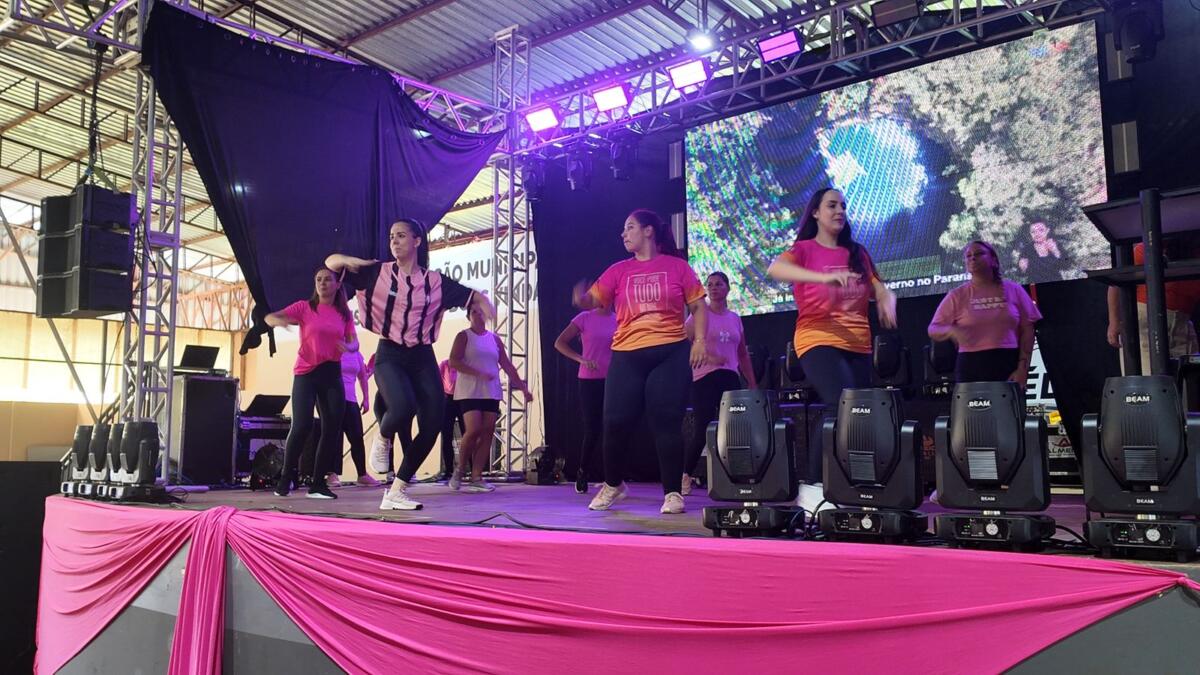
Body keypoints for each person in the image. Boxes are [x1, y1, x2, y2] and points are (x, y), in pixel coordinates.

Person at [326, 218, 495, 511]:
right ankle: (383, 436)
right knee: (402, 407)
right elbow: (330, 263)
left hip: (422, 356)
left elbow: (472, 295)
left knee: (432, 423)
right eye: (392, 236)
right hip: (390, 353)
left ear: (417, 241)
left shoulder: (435, 282)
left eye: (401, 235)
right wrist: (348, 260)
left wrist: (485, 305)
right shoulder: (376, 272)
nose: (394, 240)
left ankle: (396, 492)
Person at [767, 187, 897, 512]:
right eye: (832, 205)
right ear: (815, 213)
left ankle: (851, 486)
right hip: (817, 338)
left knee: (857, 415)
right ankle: (812, 486)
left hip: (858, 342)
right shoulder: (804, 249)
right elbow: (776, 270)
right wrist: (821, 279)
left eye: (843, 206)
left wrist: (886, 298)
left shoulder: (857, 252)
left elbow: (878, 287)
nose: (839, 211)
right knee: (838, 404)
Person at [572, 209, 708, 515]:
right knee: (614, 422)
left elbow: (699, 307)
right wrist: (582, 299)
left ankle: (673, 492)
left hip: (670, 352)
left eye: (630, 227)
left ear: (649, 231)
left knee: (666, 421)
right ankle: (613, 484)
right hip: (627, 354)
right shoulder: (618, 270)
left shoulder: (677, 267)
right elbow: (594, 299)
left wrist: (699, 341)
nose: (623, 233)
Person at [266, 267, 357, 499]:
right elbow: (270, 317)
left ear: (337, 285)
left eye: (327, 279)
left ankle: (318, 484)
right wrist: (277, 321)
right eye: (318, 279)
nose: (322, 283)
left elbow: (354, 342)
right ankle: (285, 478)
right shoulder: (304, 307)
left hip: (331, 373)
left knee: (332, 428)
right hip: (306, 373)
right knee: (302, 425)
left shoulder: (344, 313)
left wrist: (348, 347)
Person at [682, 271, 757, 496]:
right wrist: (708, 356)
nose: (714, 288)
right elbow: (683, 344)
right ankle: (685, 476)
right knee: (702, 427)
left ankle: (736, 476)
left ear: (728, 288)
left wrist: (752, 382)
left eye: (719, 284)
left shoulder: (735, 318)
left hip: (730, 377)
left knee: (734, 429)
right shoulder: (698, 316)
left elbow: (742, 353)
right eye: (710, 284)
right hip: (704, 377)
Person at [928, 240, 1041, 386]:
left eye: (979, 254)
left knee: (1009, 402)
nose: (973, 258)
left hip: (1008, 362)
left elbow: (1028, 329)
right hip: (971, 366)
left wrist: (1023, 369)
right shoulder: (957, 295)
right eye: (968, 256)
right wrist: (952, 331)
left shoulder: (1014, 289)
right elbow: (933, 329)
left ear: (993, 260)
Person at [448, 302, 533, 492]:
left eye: (481, 312)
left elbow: (507, 365)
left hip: (490, 391)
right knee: (473, 430)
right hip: (469, 391)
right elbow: (454, 361)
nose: (478, 315)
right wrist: (477, 373)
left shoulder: (494, 339)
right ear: (468, 316)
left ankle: (477, 476)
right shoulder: (464, 336)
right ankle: (459, 470)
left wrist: (523, 389)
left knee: (488, 431)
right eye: (474, 312)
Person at [1106, 241, 1200, 373]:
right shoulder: (1147, 248)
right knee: (1148, 379)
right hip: (1146, 324)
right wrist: (1114, 321)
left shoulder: (1195, 252)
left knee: (1189, 379)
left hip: (1182, 325)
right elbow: (1116, 284)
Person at [553, 305, 616, 493]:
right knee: (592, 429)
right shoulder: (584, 318)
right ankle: (583, 471)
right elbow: (559, 343)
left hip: (613, 379)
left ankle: (613, 478)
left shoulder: (619, 318)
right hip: (589, 380)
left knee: (613, 427)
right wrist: (581, 359)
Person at [326, 337, 381, 487]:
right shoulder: (332, 350)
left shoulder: (356, 354)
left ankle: (362, 474)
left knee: (357, 437)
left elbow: (362, 376)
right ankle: (332, 473)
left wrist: (366, 398)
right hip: (333, 399)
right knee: (335, 436)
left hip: (351, 399)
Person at [438, 358, 465, 481]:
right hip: (448, 399)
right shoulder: (445, 364)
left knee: (467, 433)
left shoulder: (465, 364)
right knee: (447, 434)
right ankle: (448, 469)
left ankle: (470, 468)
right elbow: (437, 380)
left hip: (463, 399)